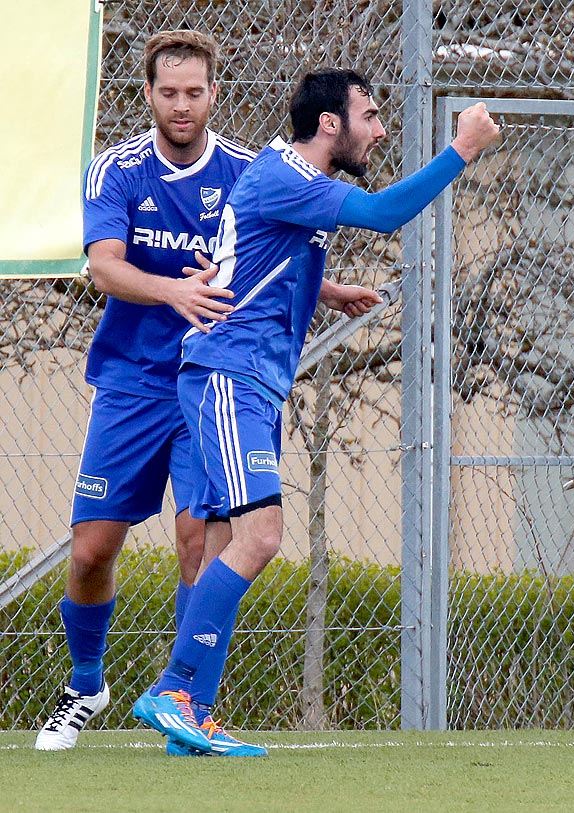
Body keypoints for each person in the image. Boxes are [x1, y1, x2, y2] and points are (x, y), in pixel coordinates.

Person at [129, 69, 499, 757]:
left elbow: (257, 253)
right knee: (260, 537)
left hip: (249, 379)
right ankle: (174, 690)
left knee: (223, 544)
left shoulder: (286, 178)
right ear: (330, 124)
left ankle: (193, 716)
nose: (379, 129)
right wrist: (463, 149)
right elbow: (386, 213)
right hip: (228, 374)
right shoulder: (287, 177)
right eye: (371, 114)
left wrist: (323, 290)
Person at [35, 29, 254, 752]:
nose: (182, 105)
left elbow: (269, 261)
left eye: (195, 92)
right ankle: (87, 681)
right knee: (93, 549)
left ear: (214, 94)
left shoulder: (247, 174)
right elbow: (104, 268)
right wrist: (174, 291)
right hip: (131, 382)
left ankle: (187, 702)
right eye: (169, 93)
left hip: (208, 382)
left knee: (201, 541)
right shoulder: (118, 171)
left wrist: (335, 287)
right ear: (150, 96)